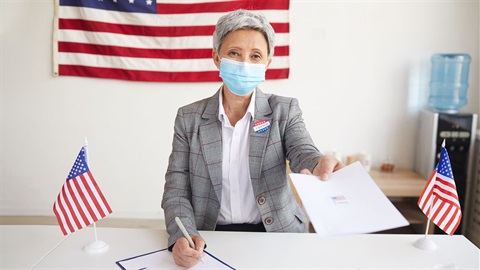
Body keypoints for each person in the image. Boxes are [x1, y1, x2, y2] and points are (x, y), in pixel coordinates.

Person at [161, 9, 344, 268]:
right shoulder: (189, 118)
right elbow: (176, 190)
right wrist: (182, 235)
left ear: (267, 63)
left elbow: (302, 149)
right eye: (234, 53)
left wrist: (318, 163)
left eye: (255, 56)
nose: (245, 63)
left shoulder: (284, 110)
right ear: (217, 58)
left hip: (277, 234)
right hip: (208, 237)